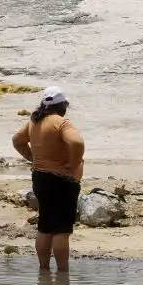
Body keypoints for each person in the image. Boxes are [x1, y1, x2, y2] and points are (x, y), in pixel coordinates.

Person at [12, 86, 84, 275]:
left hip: (40, 178)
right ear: (63, 106)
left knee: (44, 225)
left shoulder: (34, 122)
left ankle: (43, 270)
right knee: (61, 229)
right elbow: (77, 143)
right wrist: (74, 163)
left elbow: (17, 140)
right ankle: (62, 273)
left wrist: (33, 157)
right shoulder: (61, 123)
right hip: (62, 180)